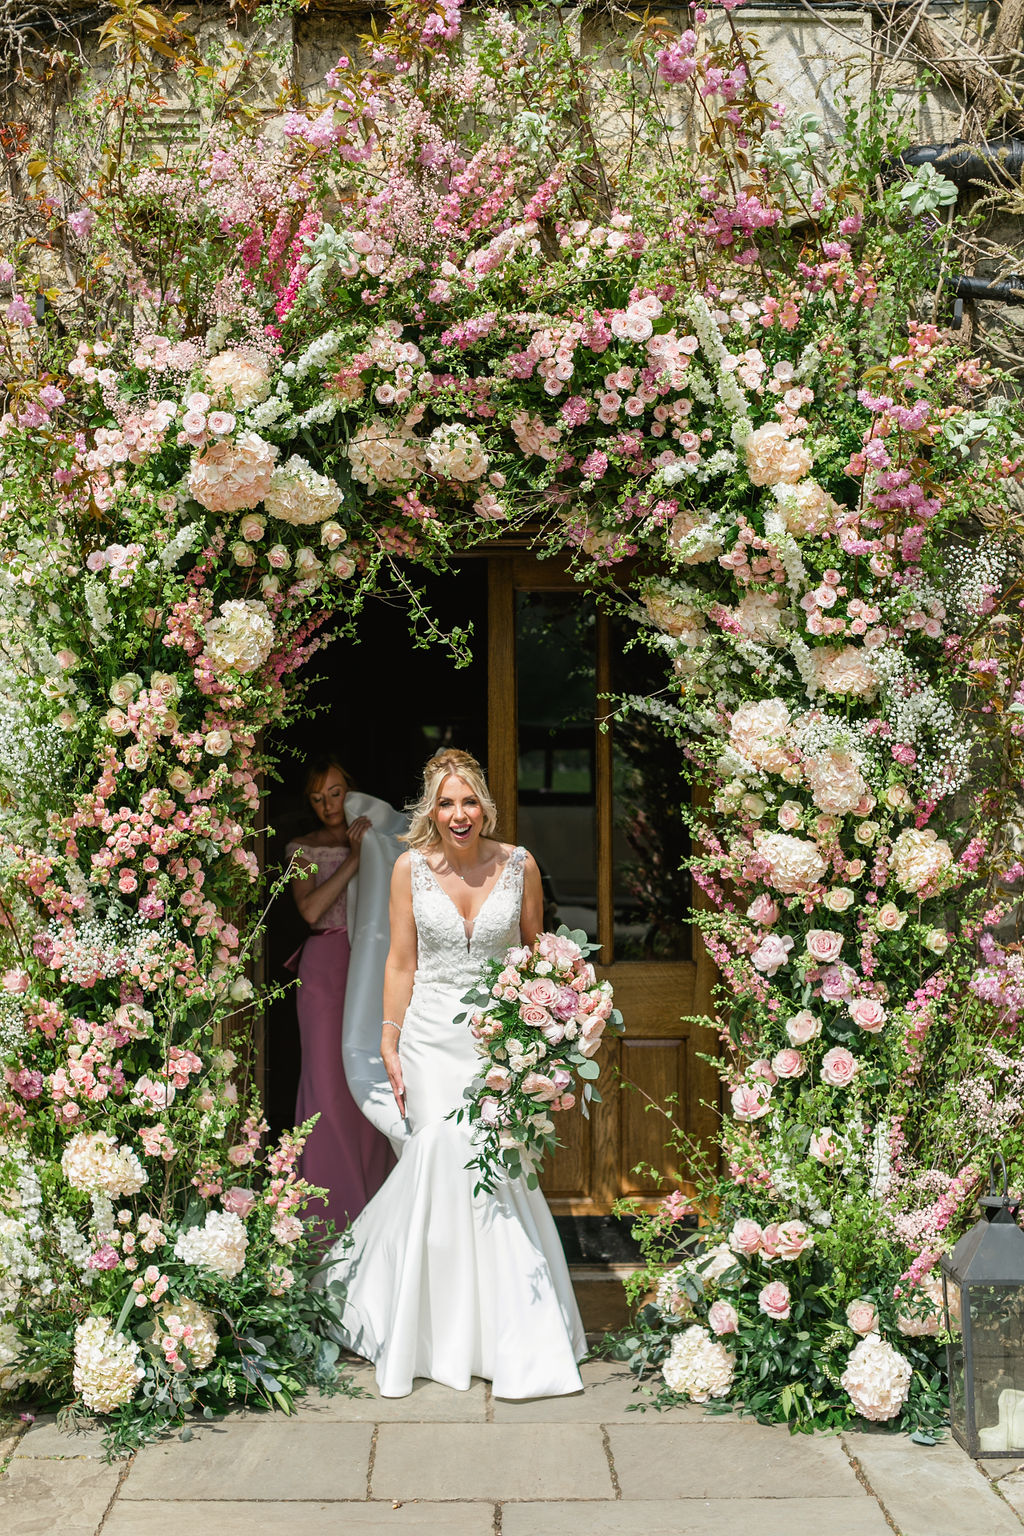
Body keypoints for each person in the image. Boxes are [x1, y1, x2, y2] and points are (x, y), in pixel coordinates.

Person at [321, 748, 586, 1400]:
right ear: (431, 811)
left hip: (498, 1042)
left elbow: (534, 956)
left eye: (468, 801)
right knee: (440, 1151)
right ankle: (424, 1330)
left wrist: (546, 1038)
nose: (459, 814)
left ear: (484, 805)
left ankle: (502, 1333)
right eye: (446, 803)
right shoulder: (409, 869)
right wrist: (388, 1040)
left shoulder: (519, 864)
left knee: (492, 1170)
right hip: (430, 1041)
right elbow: (400, 964)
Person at [286, 756, 395, 1232]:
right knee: (328, 1085)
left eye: (334, 793)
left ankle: (379, 1211)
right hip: (326, 967)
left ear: (349, 789)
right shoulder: (300, 847)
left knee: (374, 1079)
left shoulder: (377, 833)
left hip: (371, 962)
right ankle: (326, 1216)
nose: (327, 805)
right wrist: (354, 860)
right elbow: (309, 910)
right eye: (317, 797)